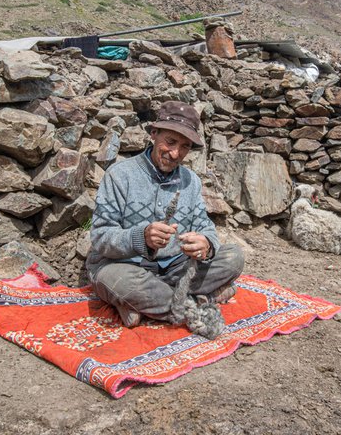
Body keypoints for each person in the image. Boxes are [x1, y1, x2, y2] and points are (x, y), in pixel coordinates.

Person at [87, 101, 245, 328]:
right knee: (114, 280)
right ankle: (198, 302)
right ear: (154, 134)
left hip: (175, 269)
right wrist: (141, 238)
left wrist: (206, 244)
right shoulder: (119, 175)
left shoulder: (191, 181)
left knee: (233, 257)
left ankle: (143, 305)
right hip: (128, 266)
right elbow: (101, 237)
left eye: (185, 147)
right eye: (170, 142)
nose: (175, 153)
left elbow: (205, 226)